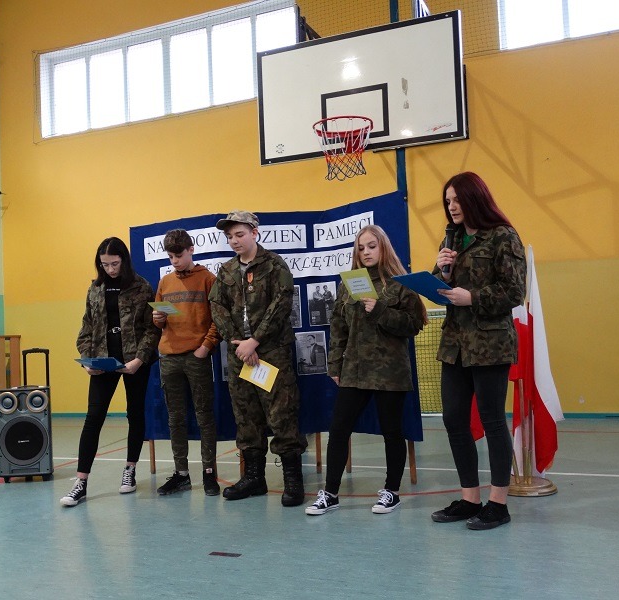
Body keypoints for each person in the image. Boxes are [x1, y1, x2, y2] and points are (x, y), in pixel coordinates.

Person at [305, 225, 427, 516]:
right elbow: (338, 329)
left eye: (372, 246)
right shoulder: (349, 285)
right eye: (361, 248)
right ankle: (330, 494)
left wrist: (381, 309)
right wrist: (335, 365)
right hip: (355, 370)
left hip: (390, 372)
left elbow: (414, 325)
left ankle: (391, 492)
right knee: (338, 429)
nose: (366, 252)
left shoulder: (401, 285)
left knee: (392, 431)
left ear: (383, 247)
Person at [429, 172, 526, 530]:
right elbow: (438, 288)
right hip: (455, 344)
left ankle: (498, 503)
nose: (451, 206)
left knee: (492, 419)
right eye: (448, 201)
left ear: (474, 198)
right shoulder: (451, 239)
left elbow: (515, 291)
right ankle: (470, 498)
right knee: (454, 419)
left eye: (457, 199)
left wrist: (473, 297)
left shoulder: (502, 236)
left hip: (490, 343)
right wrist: (441, 274)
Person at [209, 210, 307, 507]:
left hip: (271, 352)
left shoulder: (275, 265)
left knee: (281, 414)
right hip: (239, 354)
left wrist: (255, 340)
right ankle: (254, 478)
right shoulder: (226, 271)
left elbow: (281, 304)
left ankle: (293, 481)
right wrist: (238, 342)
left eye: (239, 234)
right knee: (246, 415)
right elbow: (216, 306)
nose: (234, 241)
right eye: (229, 236)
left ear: (254, 232)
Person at [61, 237, 161, 507]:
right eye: (105, 264)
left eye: (115, 264)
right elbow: (86, 327)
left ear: (124, 261)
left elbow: (152, 329)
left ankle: (130, 469)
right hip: (103, 362)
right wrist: (87, 359)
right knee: (93, 417)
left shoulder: (142, 287)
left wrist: (140, 359)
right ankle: (81, 482)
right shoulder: (95, 289)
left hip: (134, 361)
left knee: (135, 414)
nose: (110, 269)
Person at [152, 229, 221, 497]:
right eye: (170, 257)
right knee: (175, 418)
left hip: (196, 356)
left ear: (191, 250)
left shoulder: (208, 279)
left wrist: (206, 347)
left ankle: (209, 473)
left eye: (179, 255)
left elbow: (219, 319)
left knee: (204, 416)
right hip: (169, 357)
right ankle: (181, 474)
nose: (175, 261)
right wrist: (158, 319)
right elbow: (159, 320)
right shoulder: (165, 282)